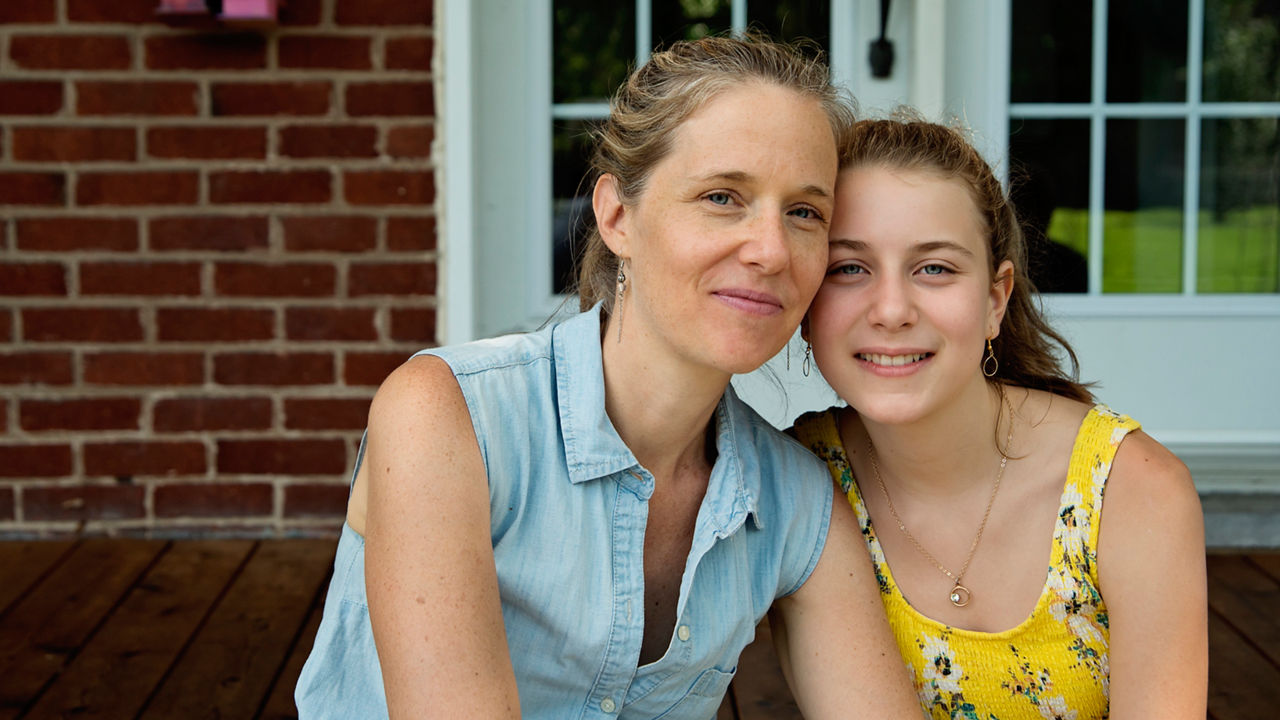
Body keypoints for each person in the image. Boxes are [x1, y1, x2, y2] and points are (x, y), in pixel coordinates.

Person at [295, 36, 921, 719]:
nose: (772, 251)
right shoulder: (452, 417)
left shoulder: (793, 502)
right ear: (617, 216)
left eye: (805, 213)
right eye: (722, 196)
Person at [790, 115, 1208, 718]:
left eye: (934, 267)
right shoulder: (797, 481)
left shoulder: (1130, 492)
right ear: (805, 300)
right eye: (848, 268)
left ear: (995, 300)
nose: (890, 310)